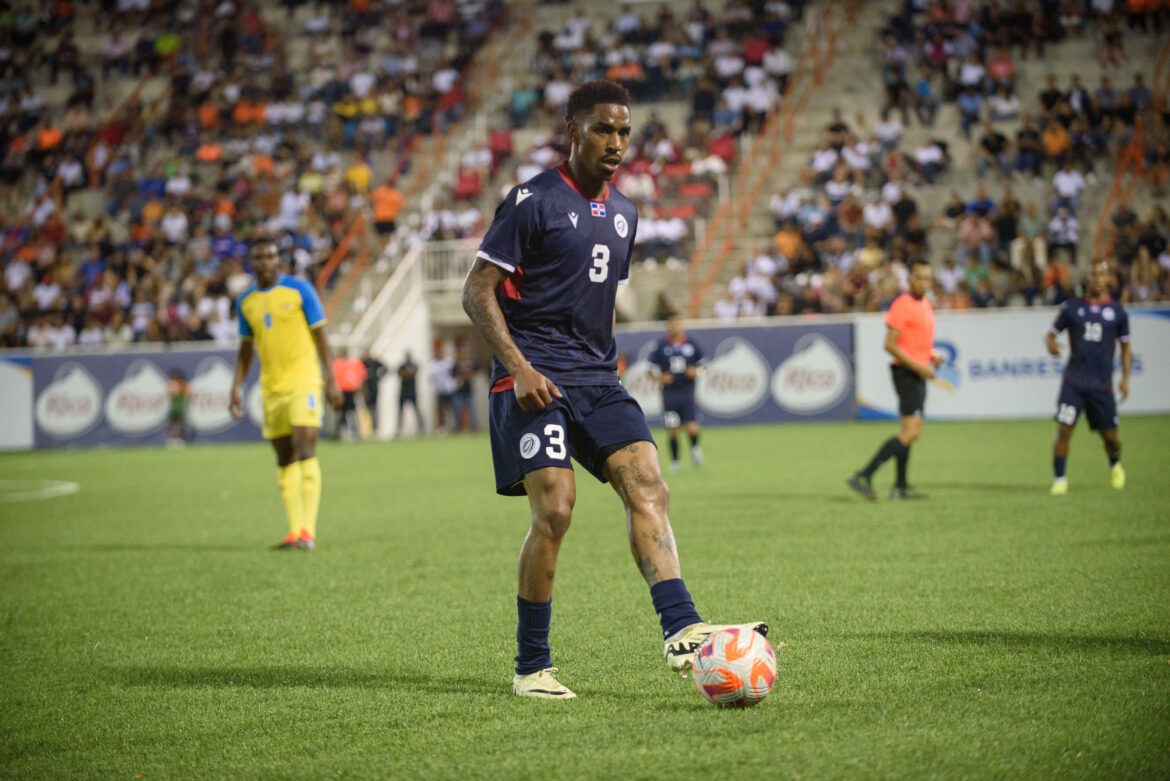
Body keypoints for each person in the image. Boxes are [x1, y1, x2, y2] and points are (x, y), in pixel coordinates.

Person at [460, 79, 765, 700]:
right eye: (604, 129)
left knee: (649, 483)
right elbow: (476, 290)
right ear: (573, 131)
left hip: (598, 379)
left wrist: (608, 364)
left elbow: (595, 300)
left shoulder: (626, 212)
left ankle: (681, 629)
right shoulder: (530, 200)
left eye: (624, 131)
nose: (616, 142)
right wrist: (517, 367)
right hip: (533, 378)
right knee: (556, 509)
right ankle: (531, 667)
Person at [229, 240, 343, 551]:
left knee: (305, 448)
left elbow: (321, 337)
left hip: (304, 382)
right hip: (271, 388)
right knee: (283, 458)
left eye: (271, 255)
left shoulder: (300, 290)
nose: (266, 260)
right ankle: (294, 531)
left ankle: (309, 531)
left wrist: (331, 380)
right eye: (260, 256)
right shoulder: (246, 302)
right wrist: (236, 386)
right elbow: (245, 349)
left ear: (278, 259)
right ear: (252, 261)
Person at [847, 261, 943, 500]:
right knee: (911, 433)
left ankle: (900, 487)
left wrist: (931, 355)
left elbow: (915, 341)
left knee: (906, 432)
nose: (924, 283)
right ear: (910, 280)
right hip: (907, 374)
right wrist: (920, 367)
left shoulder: (924, 303)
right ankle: (864, 474)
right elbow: (890, 345)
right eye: (919, 278)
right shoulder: (902, 305)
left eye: (928, 278)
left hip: (917, 371)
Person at [1045, 260, 1131, 495]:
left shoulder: (1118, 312)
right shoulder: (1072, 308)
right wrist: (1051, 345)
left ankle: (1114, 462)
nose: (1096, 279)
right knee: (1064, 429)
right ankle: (1060, 479)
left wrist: (1125, 378)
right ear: (1087, 278)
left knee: (1111, 438)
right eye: (1092, 274)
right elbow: (1050, 335)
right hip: (1073, 382)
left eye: (1101, 275)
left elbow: (1125, 348)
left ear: (1108, 279)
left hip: (1101, 385)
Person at [649, 314, 705, 472]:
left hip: (687, 393)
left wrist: (696, 372)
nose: (676, 327)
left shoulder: (692, 344)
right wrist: (660, 378)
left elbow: (704, 366)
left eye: (678, 323)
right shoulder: (660, 346)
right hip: (669, 396)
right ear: (668, 326)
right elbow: (650, 368)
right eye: (672, 324)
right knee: (673, 429)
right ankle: (675, 462)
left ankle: (695, 448)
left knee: (692, 428)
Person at [331, 348, 367, 440]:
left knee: (352, 412)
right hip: (341, 392)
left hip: (351, 391)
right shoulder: (337, 363)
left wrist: (362, 390)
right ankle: (338, 433)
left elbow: (361, 378)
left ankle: (356, 433)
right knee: (341, 413)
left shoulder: (353, 363)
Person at [395, 351, 424, 436]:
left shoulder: (414, 365)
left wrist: (406, 374)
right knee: (400, 411)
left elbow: (413, 374)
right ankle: (398, 429)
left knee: (416, 410)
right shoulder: (402, 366)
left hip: (412, 391)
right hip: (403, 391)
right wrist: (407, 374)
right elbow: (400, 374)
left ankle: (422, 428)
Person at [361, 348, 389, 435]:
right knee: (367, 409)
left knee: (374, 408)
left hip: (374, 389)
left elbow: (386, 368)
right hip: (365, 390)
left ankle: (375, 428)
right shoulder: (362, 362)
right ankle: (368, 428)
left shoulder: (375, 362)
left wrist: (379, 377)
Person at [166, 369, 188, 447]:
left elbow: (186, 394)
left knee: (180, 425)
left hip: (180, 408)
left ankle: (178, 439)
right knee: (173, 425)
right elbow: (171, 394)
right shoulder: (171, 385)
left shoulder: (182, 385)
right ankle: (171, 439)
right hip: (173, 409)